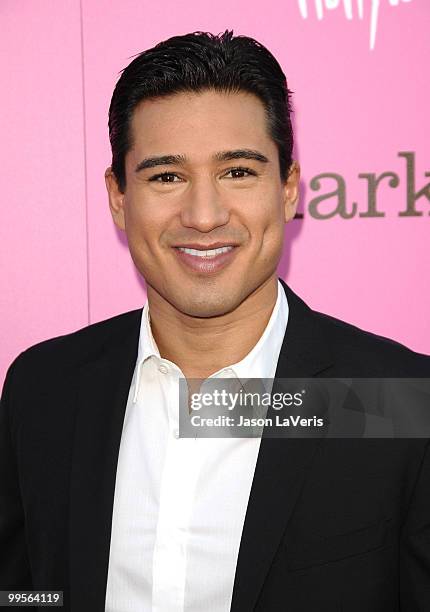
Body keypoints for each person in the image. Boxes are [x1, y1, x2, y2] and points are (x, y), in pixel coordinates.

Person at [1, 29, 429, 612]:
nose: (204, 216)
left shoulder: (397, 401)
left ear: (288, 189)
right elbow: (27, 590)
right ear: (119, 198)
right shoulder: (44, 388)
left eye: (238, 172)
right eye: (166, 177)